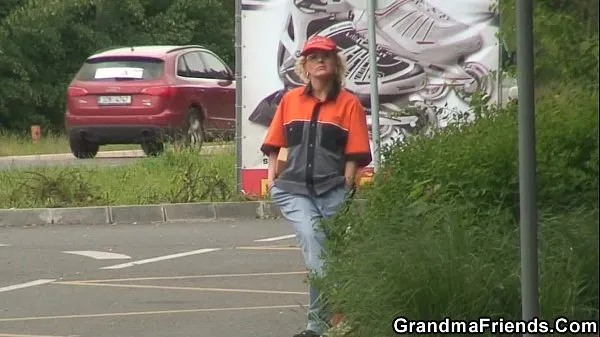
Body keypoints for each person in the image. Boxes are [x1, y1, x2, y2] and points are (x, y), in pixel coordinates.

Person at [260, 34, 372, 337]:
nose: (320, 61)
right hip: (293, 189)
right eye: (313, 57)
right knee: (316, 248)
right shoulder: (291, 100)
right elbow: (274, 143)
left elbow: (356, 152)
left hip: (332, 189)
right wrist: (272, 180)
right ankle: (322, 323)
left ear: (336, 65)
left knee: (330, 257)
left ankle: (323, 325)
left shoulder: (349, 104)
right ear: (304, 67)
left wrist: (346, 184)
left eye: (326, 57)